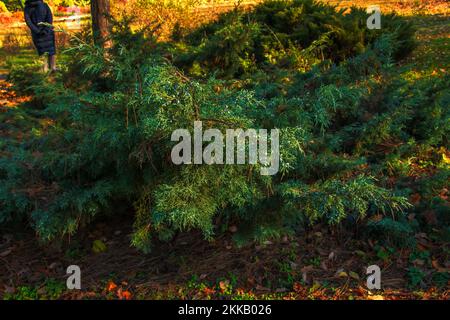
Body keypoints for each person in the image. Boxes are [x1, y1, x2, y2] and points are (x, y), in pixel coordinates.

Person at [24, 0, 56, 72]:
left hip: (38, 33)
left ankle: (45, 68)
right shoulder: (44, 5)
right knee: (51, 50)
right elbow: (49, 18)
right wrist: (47, 28)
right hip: (47, 32)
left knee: (43, 52)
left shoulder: (27, 8)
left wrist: (37, 31)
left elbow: (28, 22)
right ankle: (52, 67)